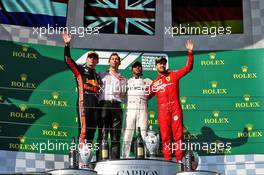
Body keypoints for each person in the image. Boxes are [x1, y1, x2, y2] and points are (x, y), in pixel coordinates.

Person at [149, 40, 194, 162]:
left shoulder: (173, 74)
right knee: (165, 137)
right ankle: (168, 160)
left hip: (175, 109)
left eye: (163, 63)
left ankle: (179, 160)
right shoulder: (154, 83)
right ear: (156, 66)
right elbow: (146, 96)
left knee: (178, 136)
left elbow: (188, 68)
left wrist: (190, 52)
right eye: (159, 64)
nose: (162, 65)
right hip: (163, 112)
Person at [62, 32, 101, 161]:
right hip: (84, 104)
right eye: (90, 57)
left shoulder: (97, 76)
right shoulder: (79, 71)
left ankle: (87, 159)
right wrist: (67, 44)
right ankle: (80, 160)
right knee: (83, 133)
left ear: (97, 61)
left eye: (95, 58)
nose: (92, 59)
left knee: (91, 133)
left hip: (95, 106)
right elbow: (68, 60)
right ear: (87, 59)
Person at [98, 53, 126, 159]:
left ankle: (115, 161)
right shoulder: (101, 74)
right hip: (104, 105)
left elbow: (124, 97)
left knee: (115, 136)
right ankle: (100, 160)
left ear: (119, 63)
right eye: (112, 59)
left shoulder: (123, 79)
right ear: (109, 62)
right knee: (103, 134)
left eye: (116, 59)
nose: (114, 60)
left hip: (117, 106)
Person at [122, 61, 152, 158]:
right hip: (130, 108)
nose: (137, 68)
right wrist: (127, 102)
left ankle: (144, 155)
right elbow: (121, 95)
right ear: (132, 69)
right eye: (135, 67)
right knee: (128, 133)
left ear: (141, 69)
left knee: (143, 132)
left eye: (139, 67)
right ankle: (124, 156)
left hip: (143, 108)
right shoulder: (127, 81)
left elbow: (155, 89)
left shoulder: (148, 81)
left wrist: (148, 98)